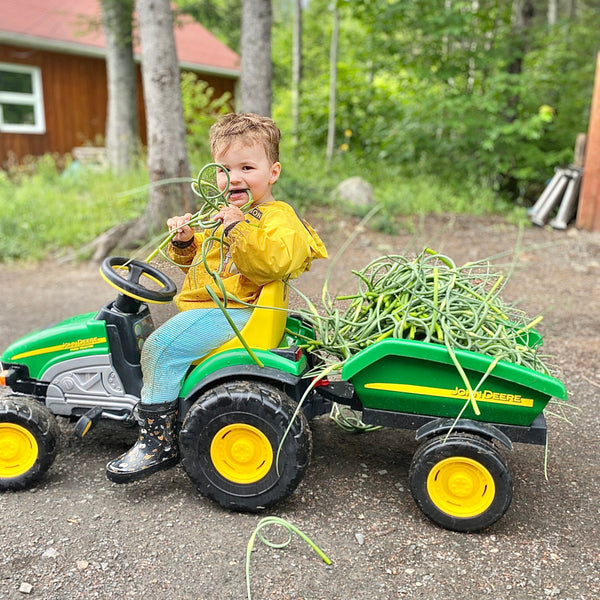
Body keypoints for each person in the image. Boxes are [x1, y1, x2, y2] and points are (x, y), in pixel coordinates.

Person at [106, 113, 328, 483]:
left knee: (159, 347)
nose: (235, 177)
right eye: (224, 169)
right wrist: (185, 242)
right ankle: (166, 403)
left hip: (237, 311)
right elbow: (203, 263)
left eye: (247, 166)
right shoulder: (221, 212)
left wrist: (238, 227)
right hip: (215, 307)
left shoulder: (277, 217)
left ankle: (156, 441)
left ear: (272, 172)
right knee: (171, 338)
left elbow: (274, 260)